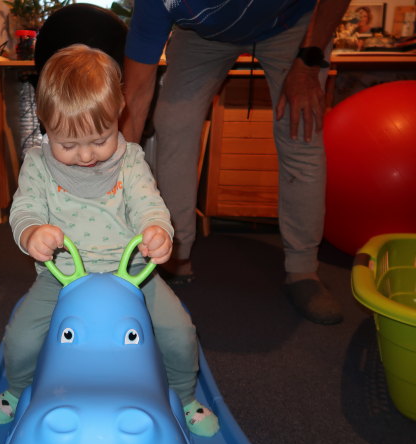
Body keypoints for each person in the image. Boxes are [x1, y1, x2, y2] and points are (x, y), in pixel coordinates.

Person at [0, 44, 219, 437]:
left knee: (179, 332)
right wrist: (32, 233)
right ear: (44, 126)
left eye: (99, 139)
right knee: (22, 337)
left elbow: (149, 205)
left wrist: (157, 232)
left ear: (118, 116)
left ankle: (184, 395)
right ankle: (17, 390)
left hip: (133, 276)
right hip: (61, 279)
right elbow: (22, 210)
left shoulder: (130, 159)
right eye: (68, 145)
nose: (87, 155)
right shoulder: (38, 165)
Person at [121, 0, 352, 325]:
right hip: (203, 36)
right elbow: (135, 95)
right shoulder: (156, 3)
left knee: (300, 127)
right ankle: (175, 257)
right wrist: (117, 181)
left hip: (294, 24)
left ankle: (303, 271)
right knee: (172, 120)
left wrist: (309, 61)